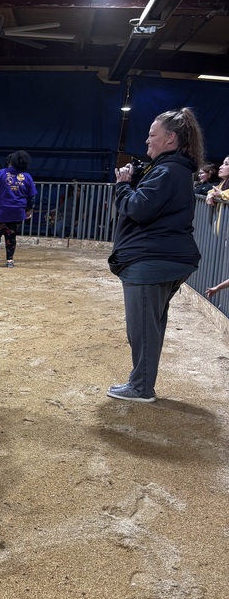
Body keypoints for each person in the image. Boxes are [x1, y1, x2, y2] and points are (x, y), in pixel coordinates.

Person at [106, 106, 204, 403]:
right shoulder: (172, 169)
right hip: (161, 259)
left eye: (152, 135)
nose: (147, 140)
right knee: (151, 326)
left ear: (170, 139)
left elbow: (138, 209)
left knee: (143, 329)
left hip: (151, 261)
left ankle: (141, 387)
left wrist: (123, 187)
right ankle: (141, 382)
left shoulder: (168, 170)